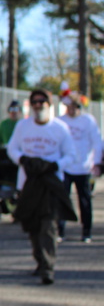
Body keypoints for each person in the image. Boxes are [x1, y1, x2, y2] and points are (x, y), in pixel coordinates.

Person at [6, 88, 77, 285]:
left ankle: (48, 267)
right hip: (29, 183)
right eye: (34, 102)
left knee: (48, 226)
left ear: (49, 104)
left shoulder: (60, 128)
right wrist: (23, 159)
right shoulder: (23, 126)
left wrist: (55, 165)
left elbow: (71, 155)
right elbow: (12, 148)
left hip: (50, 184)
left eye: (42, 102)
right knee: (32, 226)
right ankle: (40, 260)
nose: (38, 105)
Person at [57, 88, 102, 242]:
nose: (72, 110)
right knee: (62, 199)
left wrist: (97, 163)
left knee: (85, 200)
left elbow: (97, 142)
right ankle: (60, 231)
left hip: (83, 167)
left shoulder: (88, 121)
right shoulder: (61, 121)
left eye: (75, 107)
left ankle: (86, 231)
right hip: (65, 167)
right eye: (69, 107)